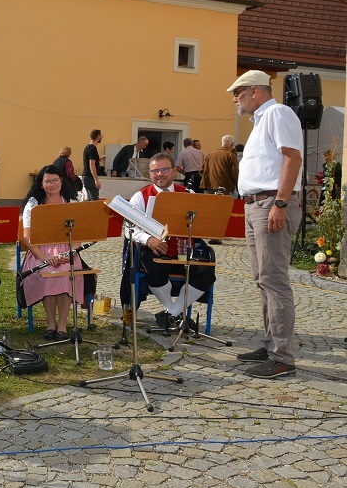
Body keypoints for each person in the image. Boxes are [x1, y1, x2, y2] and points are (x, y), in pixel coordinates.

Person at [228, 70, 303, 379]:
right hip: (256, 204)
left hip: (271, 202)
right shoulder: (262, 120)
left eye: (239, 93)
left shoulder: (277, 113)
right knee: (263, 279)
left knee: (274, 280)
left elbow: (293, 159)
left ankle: (282, 357)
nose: (235, 99)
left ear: (256, 91)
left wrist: (280, 204)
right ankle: (271, 344)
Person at [120, 153, 216, 332]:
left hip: (183, 251)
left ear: (174, 171)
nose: (160, 174)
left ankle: (170, 314)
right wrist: (149, 240)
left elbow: (199, 226)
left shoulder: (188, 194)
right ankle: (176, 314)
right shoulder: (139, 197)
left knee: (206, 273)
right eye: (155, 171)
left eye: (164, 169)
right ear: (150, 174)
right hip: (155, 251)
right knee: (154, 269)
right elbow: (129, 230)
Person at [20, 166, 86, 340]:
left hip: (68, 250)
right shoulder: (33, 205)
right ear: (41, 184)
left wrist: (70, 254)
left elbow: (78, 236)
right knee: (48, 273)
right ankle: (50, 323)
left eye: (55, 180)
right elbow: (27, 238)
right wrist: (45, 258)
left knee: (66, 273)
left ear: (61, 181)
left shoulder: (72, 203)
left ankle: (62, 324)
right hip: (40, 251)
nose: (52, 184)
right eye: (47, 181)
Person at [81, 129, 103, 200]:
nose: (101, 138)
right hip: (90, 177)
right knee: (94, 199)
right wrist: (96, 180)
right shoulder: (93, 148)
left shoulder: (87, 147)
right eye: (101, 136)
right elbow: (91, 165)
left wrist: (99, 160)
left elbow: (89, 162)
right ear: (98, 136)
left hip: (86, 176)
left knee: (89, 199)